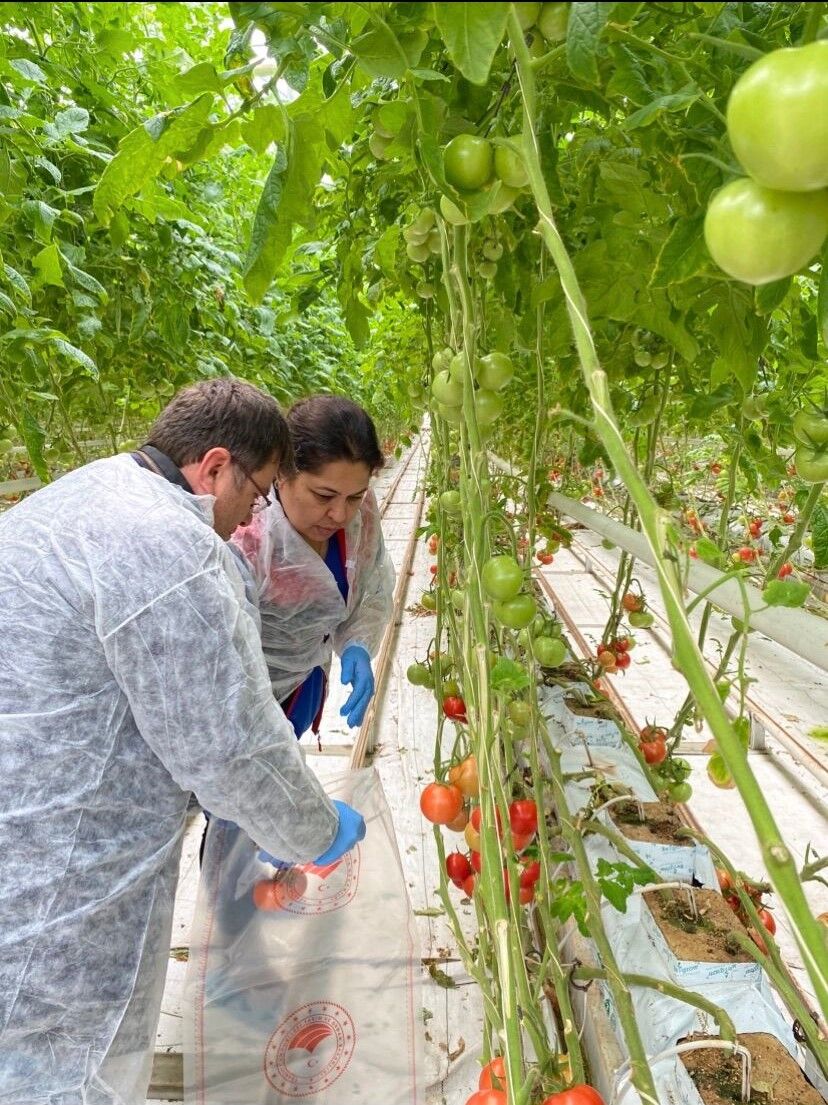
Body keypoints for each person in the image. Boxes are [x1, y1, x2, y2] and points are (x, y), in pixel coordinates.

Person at [0, 378, 365, 1105]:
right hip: (69, 862)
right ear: (215, 466)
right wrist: (314, 827)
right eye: (257, 491)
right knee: (69, 1061)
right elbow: (225, 744)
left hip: (24, 809)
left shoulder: (75, 496)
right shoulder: (171, 547)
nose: (249, 516)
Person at [230, 394, 395, 753]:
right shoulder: (248, 540)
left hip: (306, 684)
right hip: (242, 708)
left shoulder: (360, 515)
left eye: (354, 496)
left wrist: (357, 643)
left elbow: (373, 589)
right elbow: (221, 668)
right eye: (324, 495)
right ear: (283, 474)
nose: (340, 514)